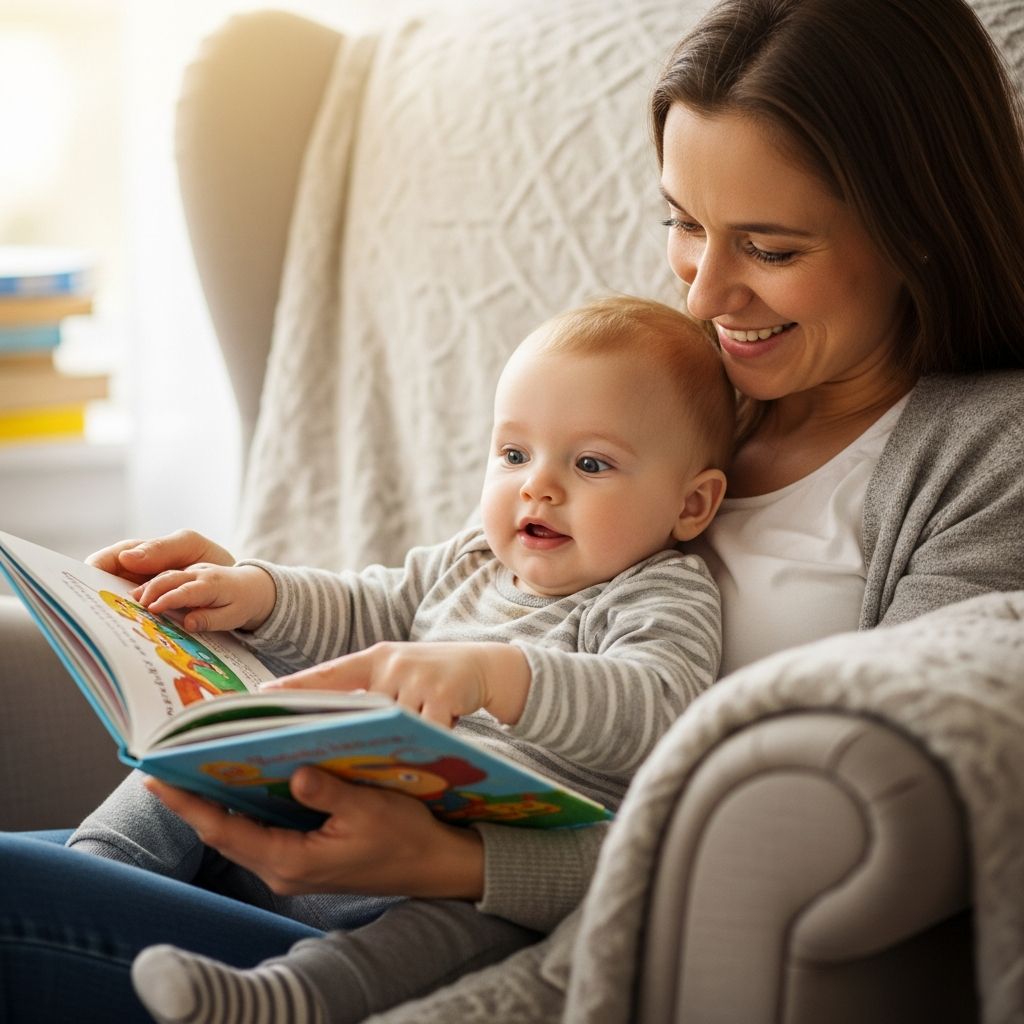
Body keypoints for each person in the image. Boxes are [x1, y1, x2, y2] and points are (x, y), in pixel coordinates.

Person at [1, 0, 1023, 1020]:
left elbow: (829, 834)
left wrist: (460, 863)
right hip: (297, 852)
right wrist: (253, 597)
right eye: (683, 223)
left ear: (916, 227)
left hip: (460, 935)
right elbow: (418, 592)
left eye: (769, 247)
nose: (706, 294)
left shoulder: (984, 456)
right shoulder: (652, 393)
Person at [2, 295, 734, 1024]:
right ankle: (99, 867)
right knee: (202, 741)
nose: (537, 484)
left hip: (448, 871)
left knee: (476, 928)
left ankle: (288, 999)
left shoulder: (661, 589)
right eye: (513, 454)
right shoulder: (472, 558)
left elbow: (656, 704)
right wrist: (255, 592)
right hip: (317, 810)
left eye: (592, 463)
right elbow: (366, 610)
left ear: (692, 506)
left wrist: (494, 673)